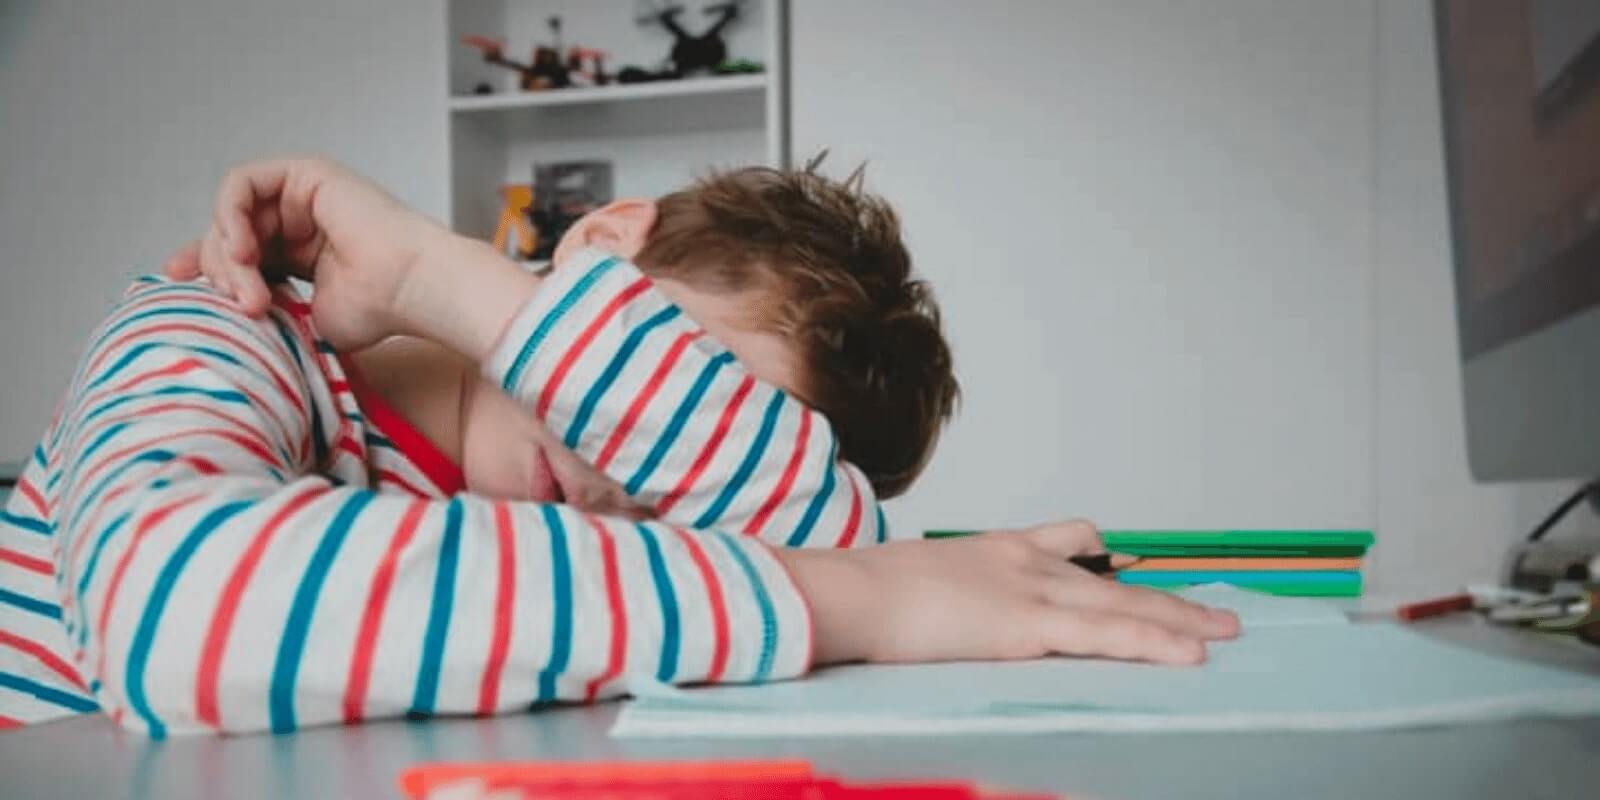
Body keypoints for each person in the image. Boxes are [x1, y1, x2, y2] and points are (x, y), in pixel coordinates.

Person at [0, 157, 1237, 736]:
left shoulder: (621, 523)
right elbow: (188, 615)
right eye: (668, 385)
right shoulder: (219, 319)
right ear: (601, 246)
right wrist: (445, 271)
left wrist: (471, 289)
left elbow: (847, 540)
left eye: (701, 466)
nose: (627, 487)